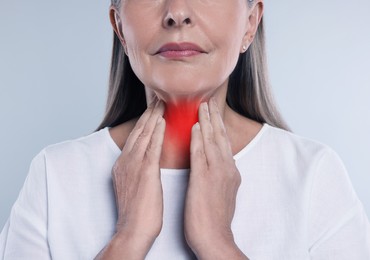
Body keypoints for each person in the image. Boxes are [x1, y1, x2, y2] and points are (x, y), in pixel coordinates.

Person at [1, 0, 369, 259]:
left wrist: (217, 244)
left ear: (250, 23)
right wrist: (127, 240)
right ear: (119, 28)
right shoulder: (54, 176)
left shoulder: (314, 175)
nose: (177, 12)